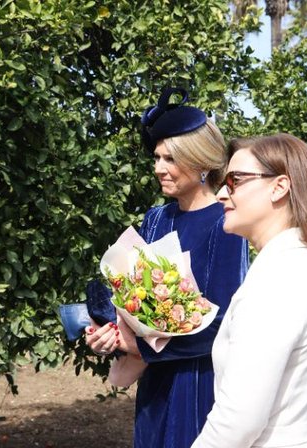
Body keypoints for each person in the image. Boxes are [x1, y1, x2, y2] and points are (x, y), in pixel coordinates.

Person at [84, 87, 250, 448]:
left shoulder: (226, 223)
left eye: (170, 159)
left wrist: (139, 346)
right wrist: (110, 336)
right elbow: (134, 298)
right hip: (155, 386)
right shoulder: (156, 218)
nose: (159, 168)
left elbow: (224, 325)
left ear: (202, 162)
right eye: (157, 157)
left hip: (197, 383)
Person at [191, 133, 307, 448]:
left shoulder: (278, 281)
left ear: (279, 187)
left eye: (235, 181)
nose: (221, 193)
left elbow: (237, 421)